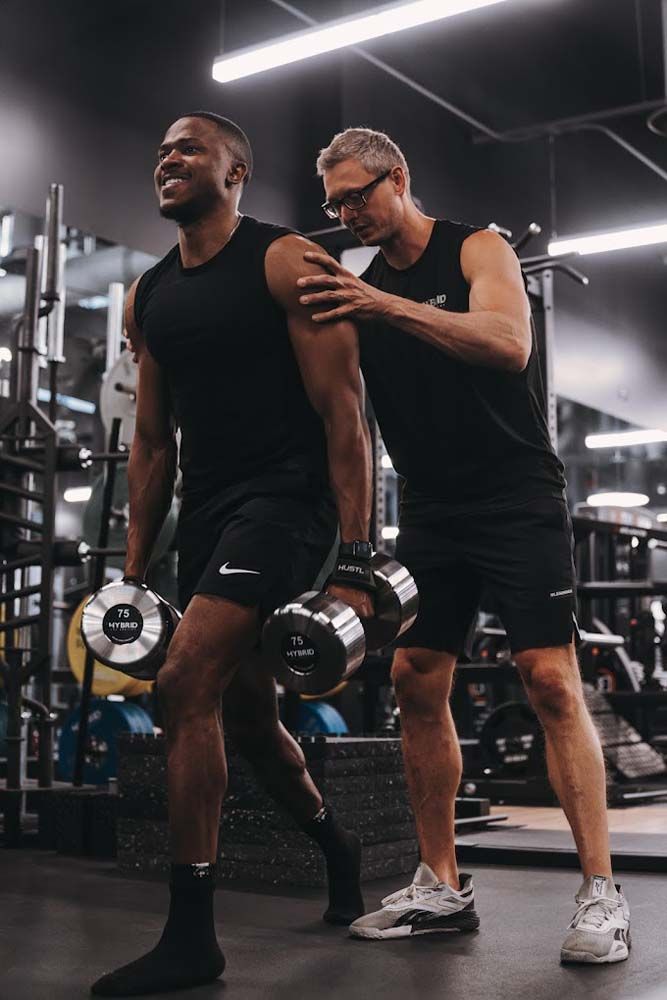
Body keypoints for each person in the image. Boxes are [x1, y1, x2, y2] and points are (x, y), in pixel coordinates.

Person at [299, 127, 631, 964]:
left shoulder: (475, 248)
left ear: (398, 177)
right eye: (334, 204)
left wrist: (383, 306)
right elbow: (343, 410)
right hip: (432, 510)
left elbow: (507, 345)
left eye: (357, 195)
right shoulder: (360, 292)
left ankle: (601, 894)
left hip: (517, 495)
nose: (347, 214)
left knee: (548, 678)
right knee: (414, 678)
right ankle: (440, 885)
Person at [91, 112, 374, 997]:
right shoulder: (149, 294)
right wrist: (134, 572)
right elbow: (151, 442)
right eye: (160, 150)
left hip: (287, 502)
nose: (167, 158)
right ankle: (337, 846)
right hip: (211, 513)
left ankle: (191, 936)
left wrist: (357, 558)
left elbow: (345, 415)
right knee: (248, 720)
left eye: (188, 147)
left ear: (236, 170)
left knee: (183, 683)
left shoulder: (284, 260)